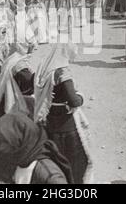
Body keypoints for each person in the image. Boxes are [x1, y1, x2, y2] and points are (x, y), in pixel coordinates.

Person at [34, 44, 93, 184]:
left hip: (49, 119)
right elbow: (73, 101)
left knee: (56, 162)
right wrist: (81, 96)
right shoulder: (62, 72)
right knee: (75, 164)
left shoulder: (45, 66)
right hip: (65, 125)